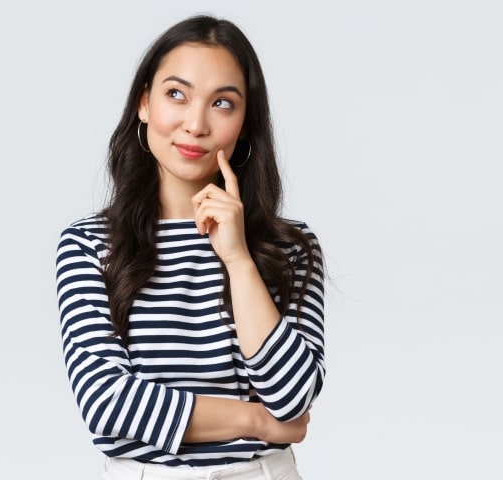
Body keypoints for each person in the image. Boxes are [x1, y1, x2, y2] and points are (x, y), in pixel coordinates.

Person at [55, 14, 325, 479]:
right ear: (144, 102)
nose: (195, 123)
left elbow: (293, 396)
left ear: (244, 122)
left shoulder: (290, 247)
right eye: (176, 94)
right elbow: (106, 402)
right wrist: (254, 419)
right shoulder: (90, 245)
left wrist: (238, 260)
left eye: (222, 102)